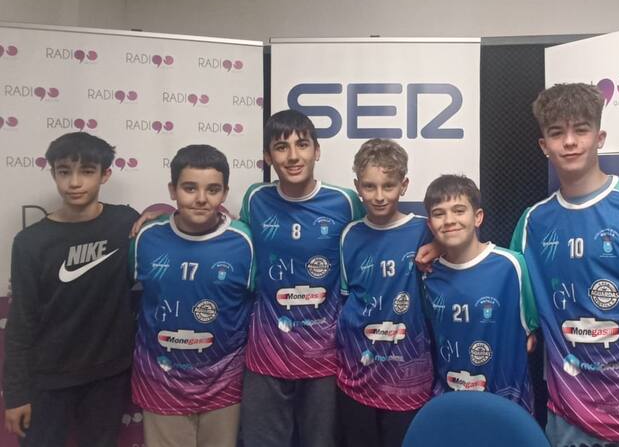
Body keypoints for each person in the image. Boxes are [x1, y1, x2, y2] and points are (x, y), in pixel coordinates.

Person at [511, 83, 619, 446]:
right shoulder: (532, 223)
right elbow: (496, 277)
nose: (570, 142)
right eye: (557, 133)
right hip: (570, 418)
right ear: (544, 145)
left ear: (599, 137)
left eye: (581, 130)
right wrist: (438, 247)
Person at [3, 132, 140, 447]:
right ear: (53, 173)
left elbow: (166, 232)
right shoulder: (30, 242)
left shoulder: (125, 221)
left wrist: (156, 217)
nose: (74, 182)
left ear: (105, 175)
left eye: (87, 171)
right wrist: (16, 394)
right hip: (48, 379)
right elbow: (21, 321)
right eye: (64, 171)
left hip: (108, 375)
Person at [239, 109, 364, 447]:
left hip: (324, 356)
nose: (293, 156)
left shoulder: (345, 202)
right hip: (266, 353)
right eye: (281, 147)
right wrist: (156, 218)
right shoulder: (255, 198)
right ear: (268, 157)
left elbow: (380, 236)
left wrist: (433, 245)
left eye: (302, 144)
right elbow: (230, 239)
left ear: (317, 151)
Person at [130, 144, 255, 447]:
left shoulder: (244, 241)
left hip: (223, 384)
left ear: (225, 193)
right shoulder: (145, 237)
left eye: (212, 189)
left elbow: (256, 304)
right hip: (161, 381)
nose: (201, 199)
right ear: (172, 190)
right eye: (189, 188)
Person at [337, 139, 433, 447]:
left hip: (408, 380)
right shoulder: (349, 235)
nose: (379, 196)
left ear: (403, 186)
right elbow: (345, 299)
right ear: (357, 187)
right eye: (369, 186)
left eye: (388, 186)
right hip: (357, 376)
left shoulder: (426, 231)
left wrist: (440, 246)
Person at [422, 174, 537, 411]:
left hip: (506, 407)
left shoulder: (511, 266)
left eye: (459, 210)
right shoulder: (428, 275)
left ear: (478, 217)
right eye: (439, 213)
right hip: (450, 403)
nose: (449, 220)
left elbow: (531, 336)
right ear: (430, 225)